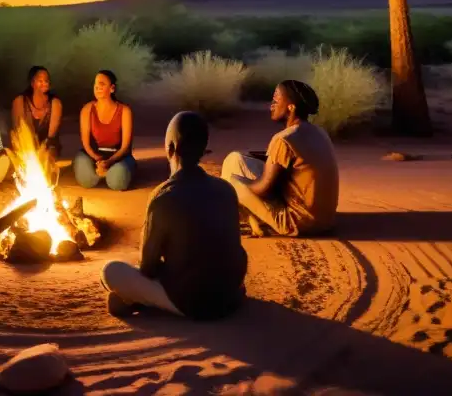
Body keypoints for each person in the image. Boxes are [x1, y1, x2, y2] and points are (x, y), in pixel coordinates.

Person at [101, 111, 247, 319]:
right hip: (229, 294)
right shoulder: (226, 189)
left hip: (191, 302)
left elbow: (148, 268)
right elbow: (234, 250)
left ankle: (142, 301)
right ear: (203, 149)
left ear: (171, 149)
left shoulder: (162, 197)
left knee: (111, 271)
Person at [221, 79, 340, 237]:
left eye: (276, 101)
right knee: (236, 158)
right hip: (324, 221)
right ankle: (250, 217)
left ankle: (246, 220)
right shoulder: (318, 132)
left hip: (297, 223)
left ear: (291, 107)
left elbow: (263, 188)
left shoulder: (283, 139)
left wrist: (239, 185)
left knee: (230, 181)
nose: (271, 105)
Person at [73, 70, 136, 191]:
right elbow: (86, 143)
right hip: (94, 155)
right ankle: (100, 171)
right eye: (95, 84)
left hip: (118, 156)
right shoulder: (87, 109)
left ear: (112, 88)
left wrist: (109, 162)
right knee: (87, 180)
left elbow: (125, 147)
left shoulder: (125, 111)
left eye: (102, 84)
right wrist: (98, 160)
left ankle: (117, 171)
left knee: (117, 183)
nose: (97, 87)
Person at [11, 65, 63, 164]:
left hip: (48, 148)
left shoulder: (55, 103)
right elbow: (19, 132)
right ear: (32, 83)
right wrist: (30, 152)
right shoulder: (20, 101)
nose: (45, 83)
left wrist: (42, 152)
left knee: (49, 153)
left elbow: (51, 137)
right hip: (25, 147)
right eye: (40, 80)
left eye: (47, 80)